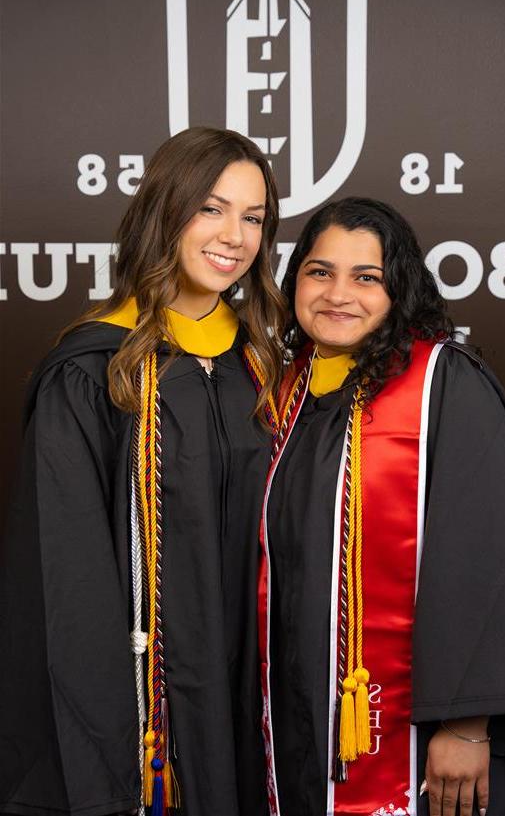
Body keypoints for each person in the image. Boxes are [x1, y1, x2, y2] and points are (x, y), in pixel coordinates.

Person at [0, 127, 285, 816]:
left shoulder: (263, 366)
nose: (234, 236)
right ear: (167, 208)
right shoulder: (95, 368)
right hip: (145, 701)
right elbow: (67, 579)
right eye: (211, 208)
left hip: (254, 694)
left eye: (253, 218)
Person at [259, 197, 505, 816]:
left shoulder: (444, 383)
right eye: (319, 272)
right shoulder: (285, 394)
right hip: (299, 724)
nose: (339, 294)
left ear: (400, 289)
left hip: (424, 734)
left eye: (367, 277)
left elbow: (491, 560)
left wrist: (467, 725)